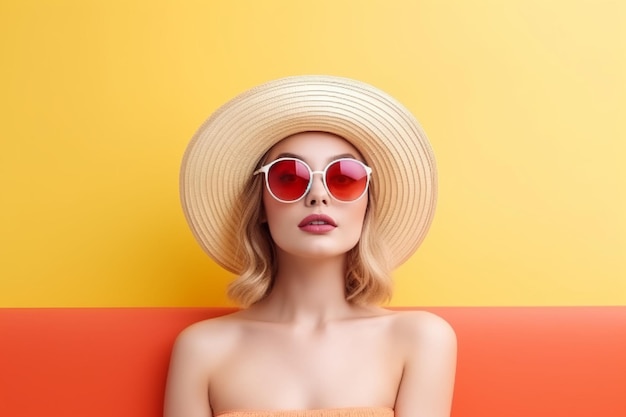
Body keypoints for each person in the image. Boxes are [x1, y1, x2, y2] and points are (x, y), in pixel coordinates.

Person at [164, 76, 457, 417]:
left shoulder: (421, 339)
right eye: (289, 177)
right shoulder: (202, 348)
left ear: (367, 206)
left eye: (343, 178)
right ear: (260, 206)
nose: (318, 196)